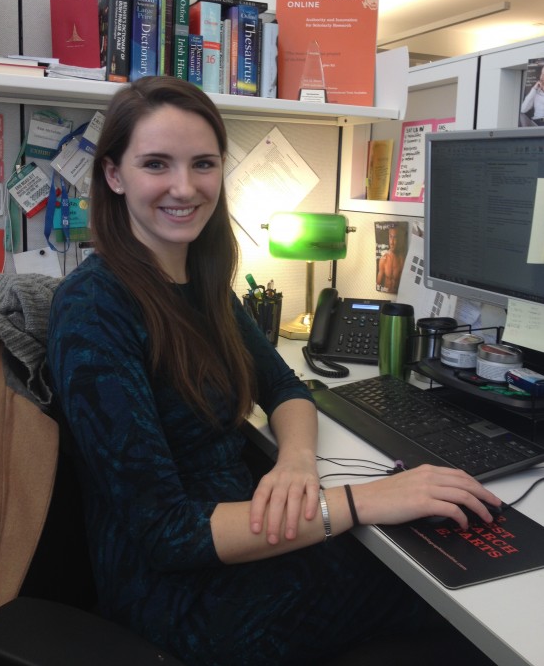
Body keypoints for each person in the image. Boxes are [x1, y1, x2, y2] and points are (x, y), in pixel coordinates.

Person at [47, 76, 501, 666]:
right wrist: (364, 501)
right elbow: (167, 534)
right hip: (181, 596)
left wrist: (295, 462)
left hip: (250, 527)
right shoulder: (93, 309)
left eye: (203, 164)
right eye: (156, 164)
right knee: (447, 596)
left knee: (438, 548)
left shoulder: (202, 285)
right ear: (114, 175)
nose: (184, 187)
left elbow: (285, 386)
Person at [376, 223, 406, 294]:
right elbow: (378, 284)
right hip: (385, 296)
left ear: (399, 239)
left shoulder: (401, 260)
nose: (392, 242)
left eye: (395, 238)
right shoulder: (384, 259)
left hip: (399, 296)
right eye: (390, 237)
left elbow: (404, 284)